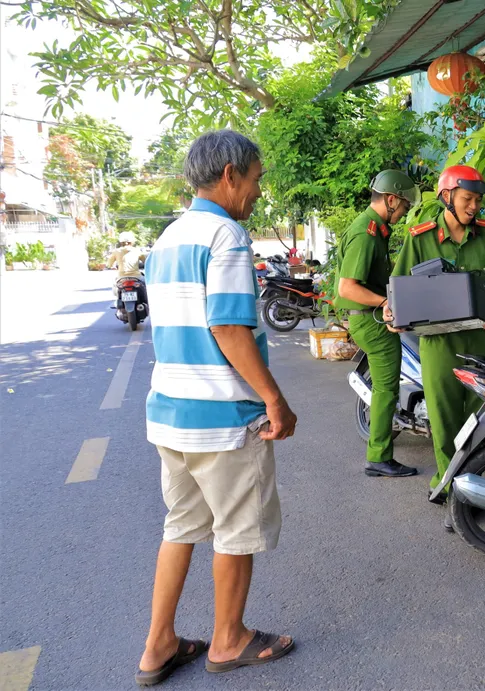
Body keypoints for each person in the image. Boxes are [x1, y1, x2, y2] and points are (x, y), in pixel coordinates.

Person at [137, 130, 295, 685]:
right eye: (254, 179)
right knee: (235, 531)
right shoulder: (227, 235)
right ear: (230, 175)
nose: (257, 191)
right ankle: (228, 641)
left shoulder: (170, 238)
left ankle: (158, 645)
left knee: (180, 526)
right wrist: (273, 398)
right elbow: (228, 328)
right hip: (223, 418)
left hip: (170, 413)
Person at [385, 165, 485, 531]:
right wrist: (391, 308)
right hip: (438, 342)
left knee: (481, 416)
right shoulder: (420, 238)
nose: (474, 206)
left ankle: (479, 484)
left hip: (481, 337)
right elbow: (398, 286)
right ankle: (451, 490)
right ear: (447, 197)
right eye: (467, 199)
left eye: (477, 200)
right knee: (444, 419)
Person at [335, 170, 420, 478]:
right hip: (369, 321)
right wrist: (385, 303)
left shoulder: (375, 229)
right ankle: (379, 457)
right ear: (391, 199)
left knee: (387, 385)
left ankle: (380, 452)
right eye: (405, 205)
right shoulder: (365, 234)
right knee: (386, 388)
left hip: (367, 318)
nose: (406, 210)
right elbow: (347, 288)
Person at [108, 231, 145, 306]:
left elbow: (109, 263)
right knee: (145, 286)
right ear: (132, 241)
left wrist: (112, 266)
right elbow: (145, 261)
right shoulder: (137, 250)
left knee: (115, 287)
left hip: (121, 277)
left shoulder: (116, 251)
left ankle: (118, 302)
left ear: (121, 242)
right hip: (136, 277)